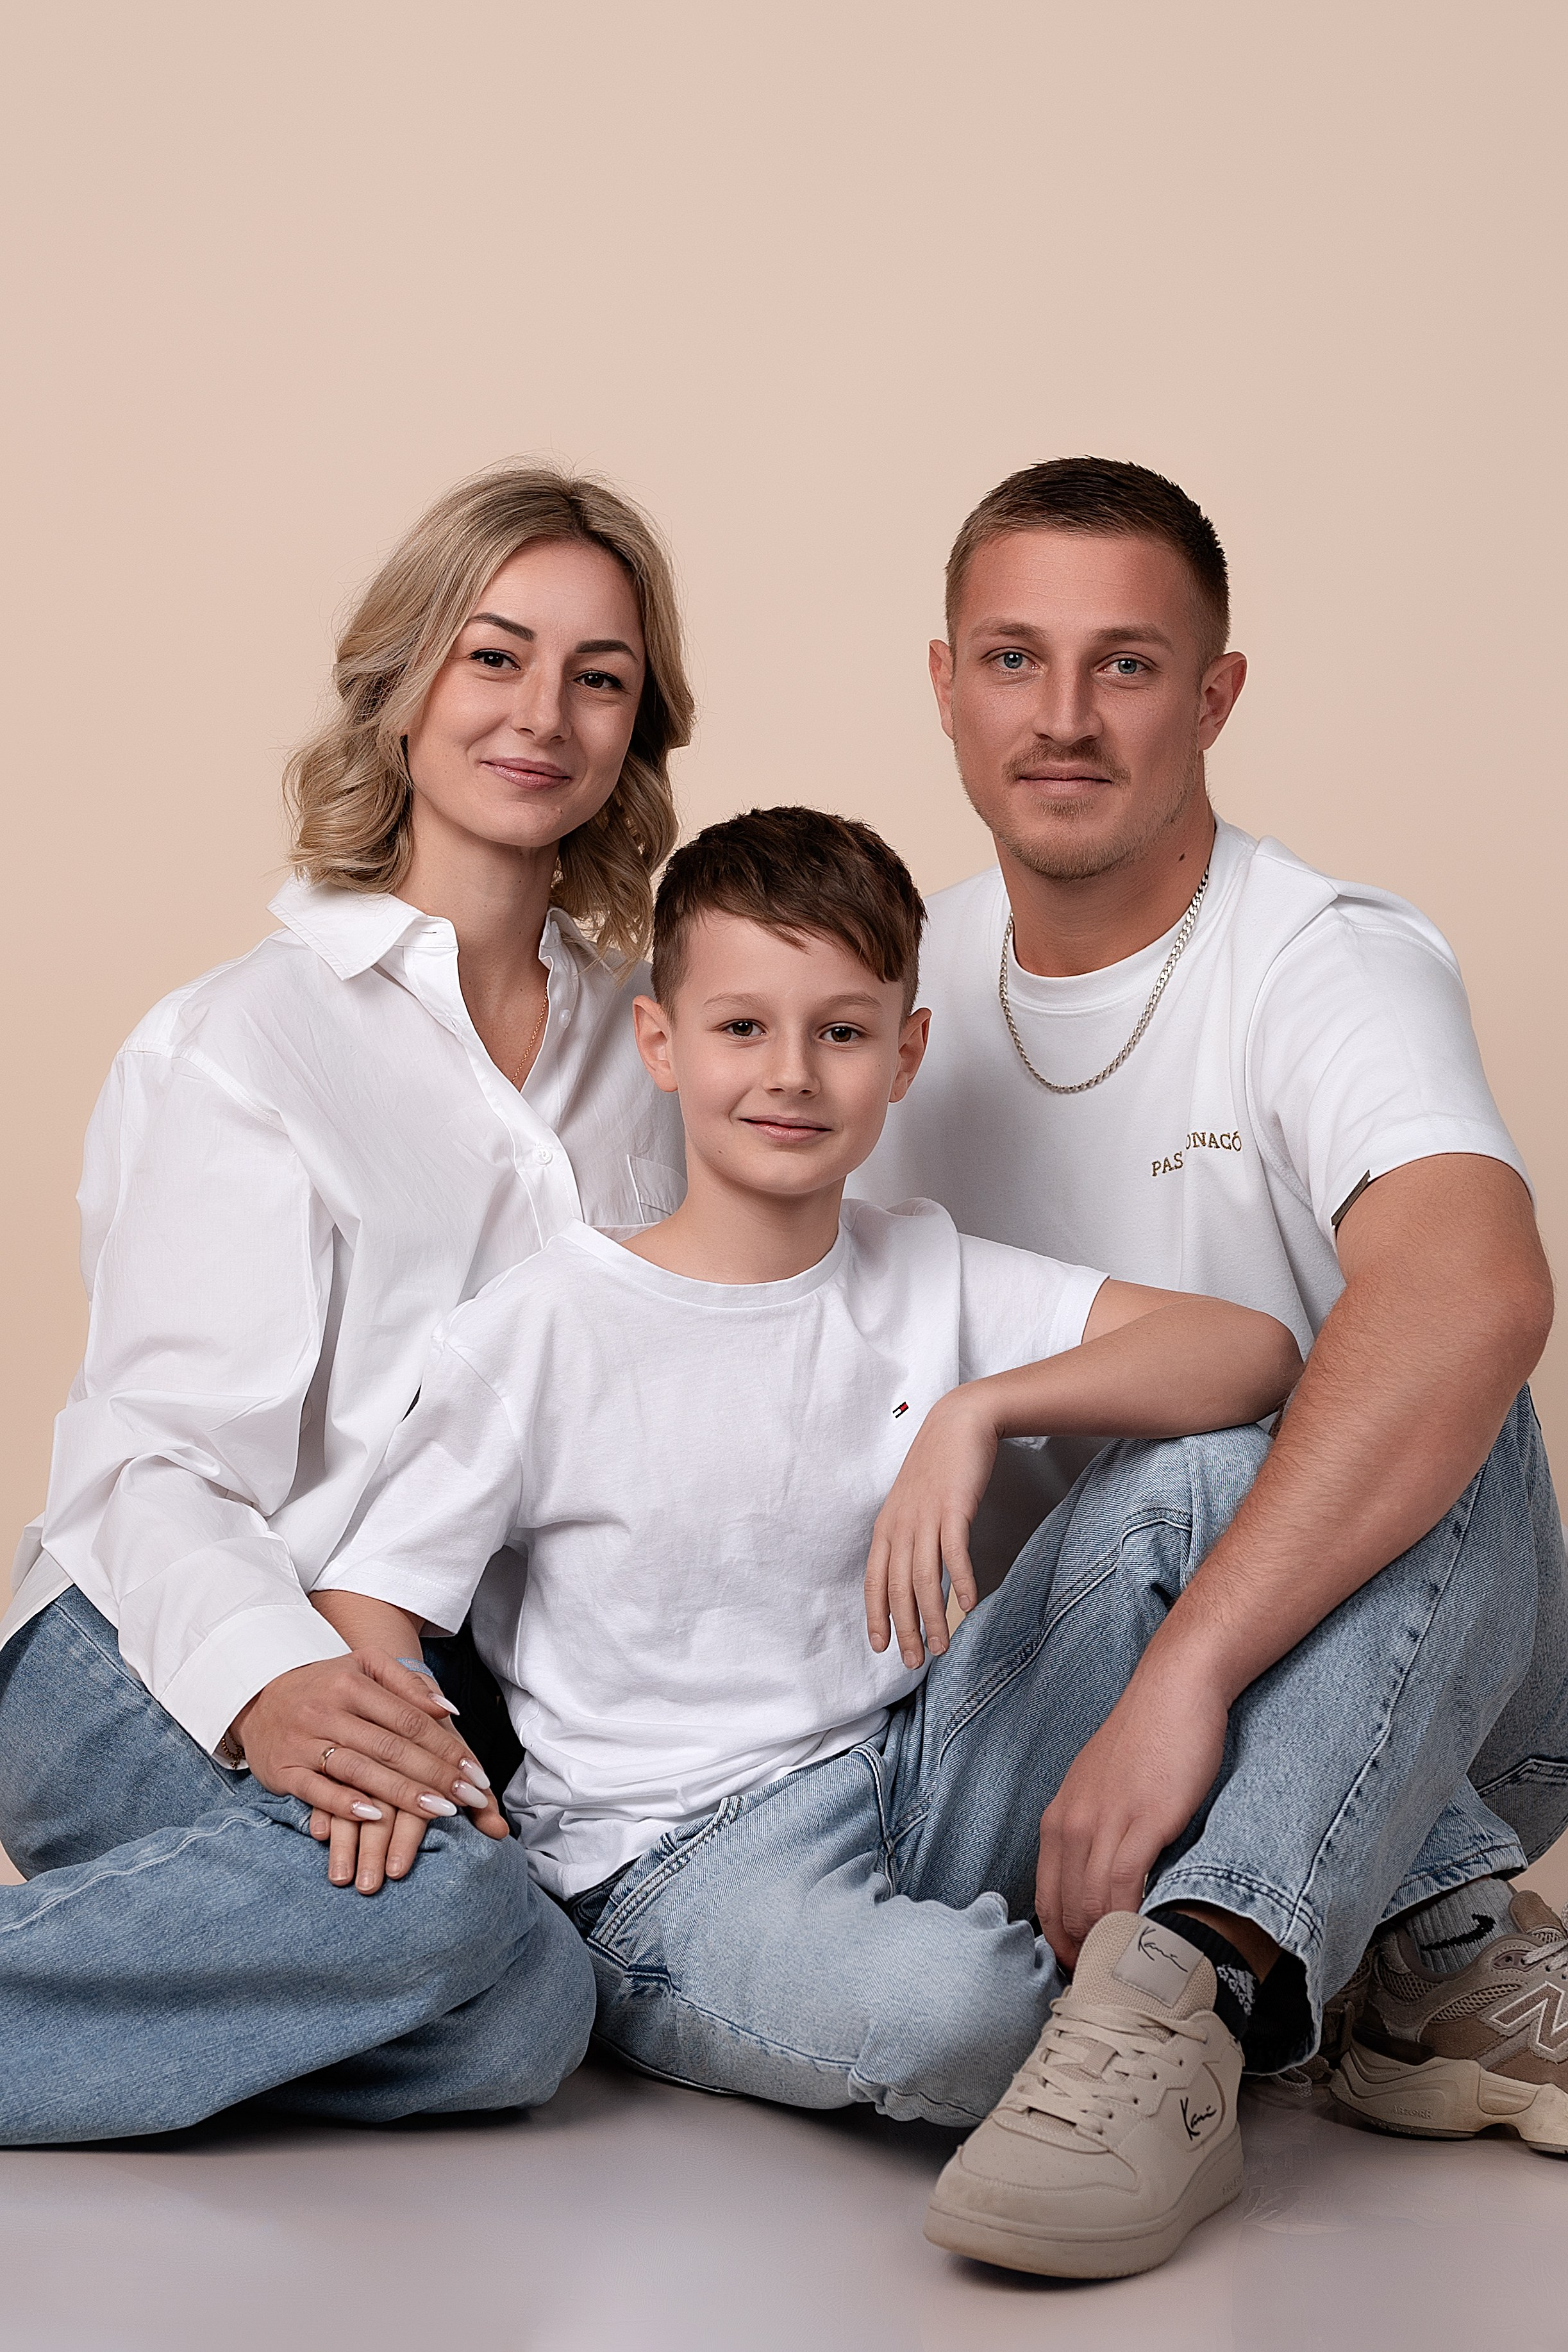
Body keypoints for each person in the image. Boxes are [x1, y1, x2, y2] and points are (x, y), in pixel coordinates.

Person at [313, 806, 1548, 2278]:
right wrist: (437, 1800)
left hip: (926, 1758)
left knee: (1297, 1429)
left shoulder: (925, 1266)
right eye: (740, 1027)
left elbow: (1248, 1353)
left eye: (839, 1031)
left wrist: (978, 1408)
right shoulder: (540, 1331)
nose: (788, 1072)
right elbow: (368, 1600)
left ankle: (1211, 1958)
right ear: (658, 1042)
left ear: (903, 1056)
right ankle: (1284, 1958)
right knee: (962, 2014)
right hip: (683, 1863)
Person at [855, 456, 1568, 2158]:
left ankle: (1189, 1967)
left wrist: (1187, 1672)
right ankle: (1420, 1939)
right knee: (1199, 1457)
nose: (1065, 715)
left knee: (1436, 1342)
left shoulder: (1320, 952)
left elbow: (1472, 1292)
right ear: (943, 684)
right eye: (1012, 658)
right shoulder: (875, 990)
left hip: (1418, 1690)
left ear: (1211, 694)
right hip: (1038, 1723)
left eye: (1126, 662)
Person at [0, 465, 696, 2143]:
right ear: (399, 692)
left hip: (443, 1689)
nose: (541, 714)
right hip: (144, 1637)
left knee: (532, 2001)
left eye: (596, 676)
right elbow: (151, 1459)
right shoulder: (243, 1038)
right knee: (464, 1928)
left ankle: (218, 1972)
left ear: (637, 726)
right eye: (493, 656)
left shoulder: (664, 1053)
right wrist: (274, 1680)